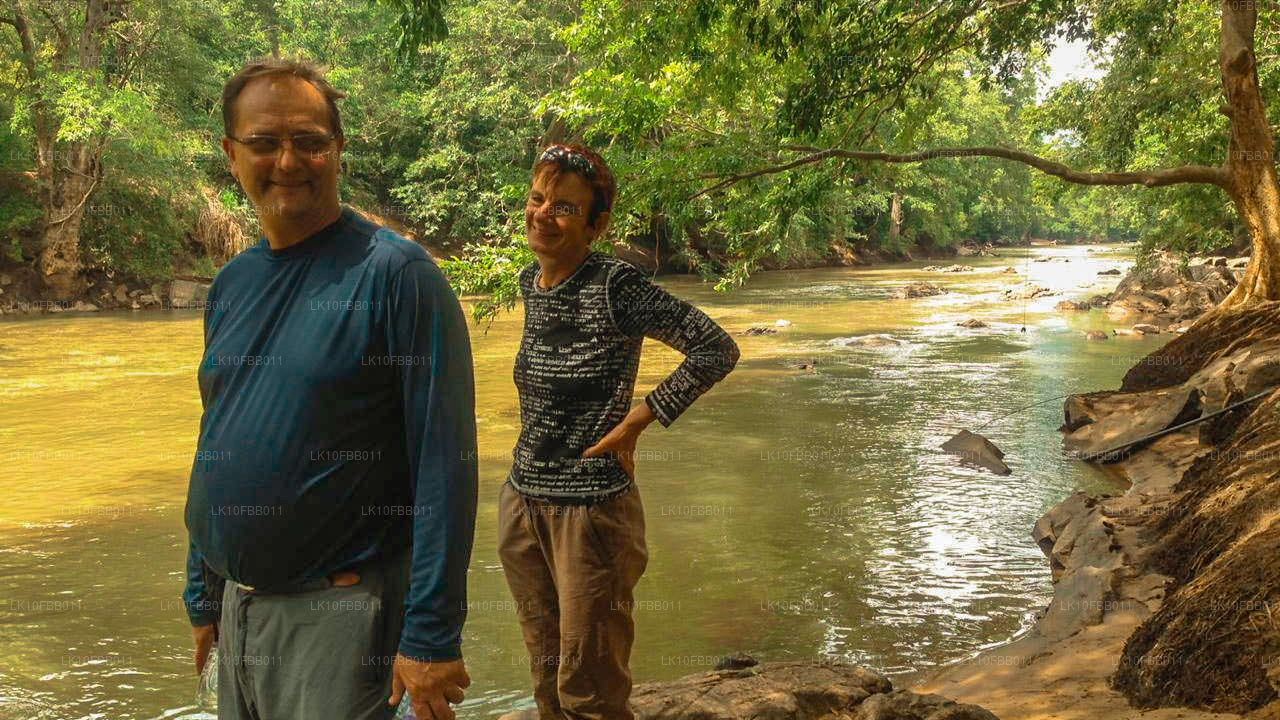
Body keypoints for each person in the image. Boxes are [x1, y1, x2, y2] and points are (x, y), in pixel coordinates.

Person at [181, 56, 478, 720]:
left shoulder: (397, 276)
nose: (288, 161)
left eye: (310, 141)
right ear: (231, 155)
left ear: (338, 149)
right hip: (238, 609)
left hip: (342, 616)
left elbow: (445, 465)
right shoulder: (232, 284)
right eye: (265, 142)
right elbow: (216, 438)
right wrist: (202, 595)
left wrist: (431, 634)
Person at [498, 144, 740, 719]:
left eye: (565, 207)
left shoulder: (614, 284)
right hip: (523, 505)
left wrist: (637, 421)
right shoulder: (532, 282)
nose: (543, 214)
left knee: (590, 690)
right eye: (537, 199)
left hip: (591, 516)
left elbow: (715, 348)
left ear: (596, 225)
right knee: (545, 677)